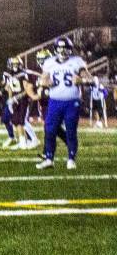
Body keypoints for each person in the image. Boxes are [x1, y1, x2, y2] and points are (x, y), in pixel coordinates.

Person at [36, 37, 91, 170]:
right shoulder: (49, 62)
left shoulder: (77, 61)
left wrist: (82, 80)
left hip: (72, 102)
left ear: (70, 49)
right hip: (54, 101)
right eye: (59, 48)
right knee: (49, 130)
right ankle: (49, 158)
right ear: (55, 49)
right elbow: (42, 80)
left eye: (65, 48)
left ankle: (71, 159)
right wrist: (44, 82)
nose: (62, 51)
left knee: (71, 131)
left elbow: (88, 78)